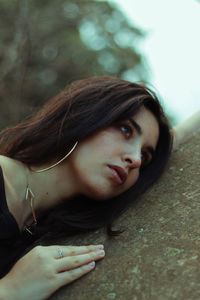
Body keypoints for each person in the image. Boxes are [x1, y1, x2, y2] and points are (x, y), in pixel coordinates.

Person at [0, 77, 198, 299]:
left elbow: (175, 140)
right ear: (87, 114)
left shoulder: (39, 224)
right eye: (125, 130)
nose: (135, 159)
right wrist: (10, 290)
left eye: (145, 155)